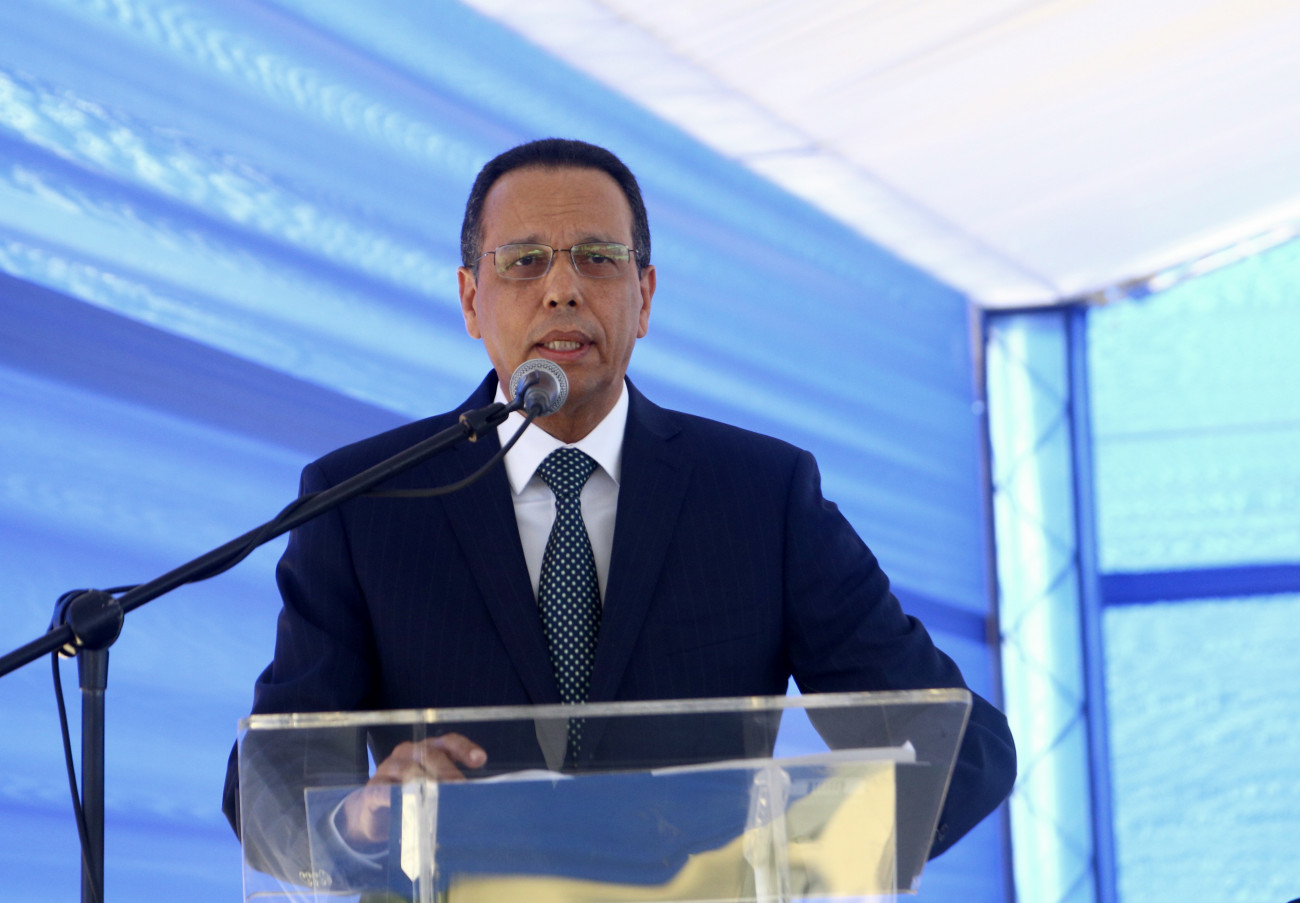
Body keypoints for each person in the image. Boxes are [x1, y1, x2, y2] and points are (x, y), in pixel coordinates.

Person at [223, 138, 1015, 869]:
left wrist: (809, 852)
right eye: (524, 262)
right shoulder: (366, 501)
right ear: (470, 299)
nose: (562, 289)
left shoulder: (761, 496)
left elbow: (963, 744)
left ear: (645, 294)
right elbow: (270, 781)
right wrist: (361, 816)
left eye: (598, 259)